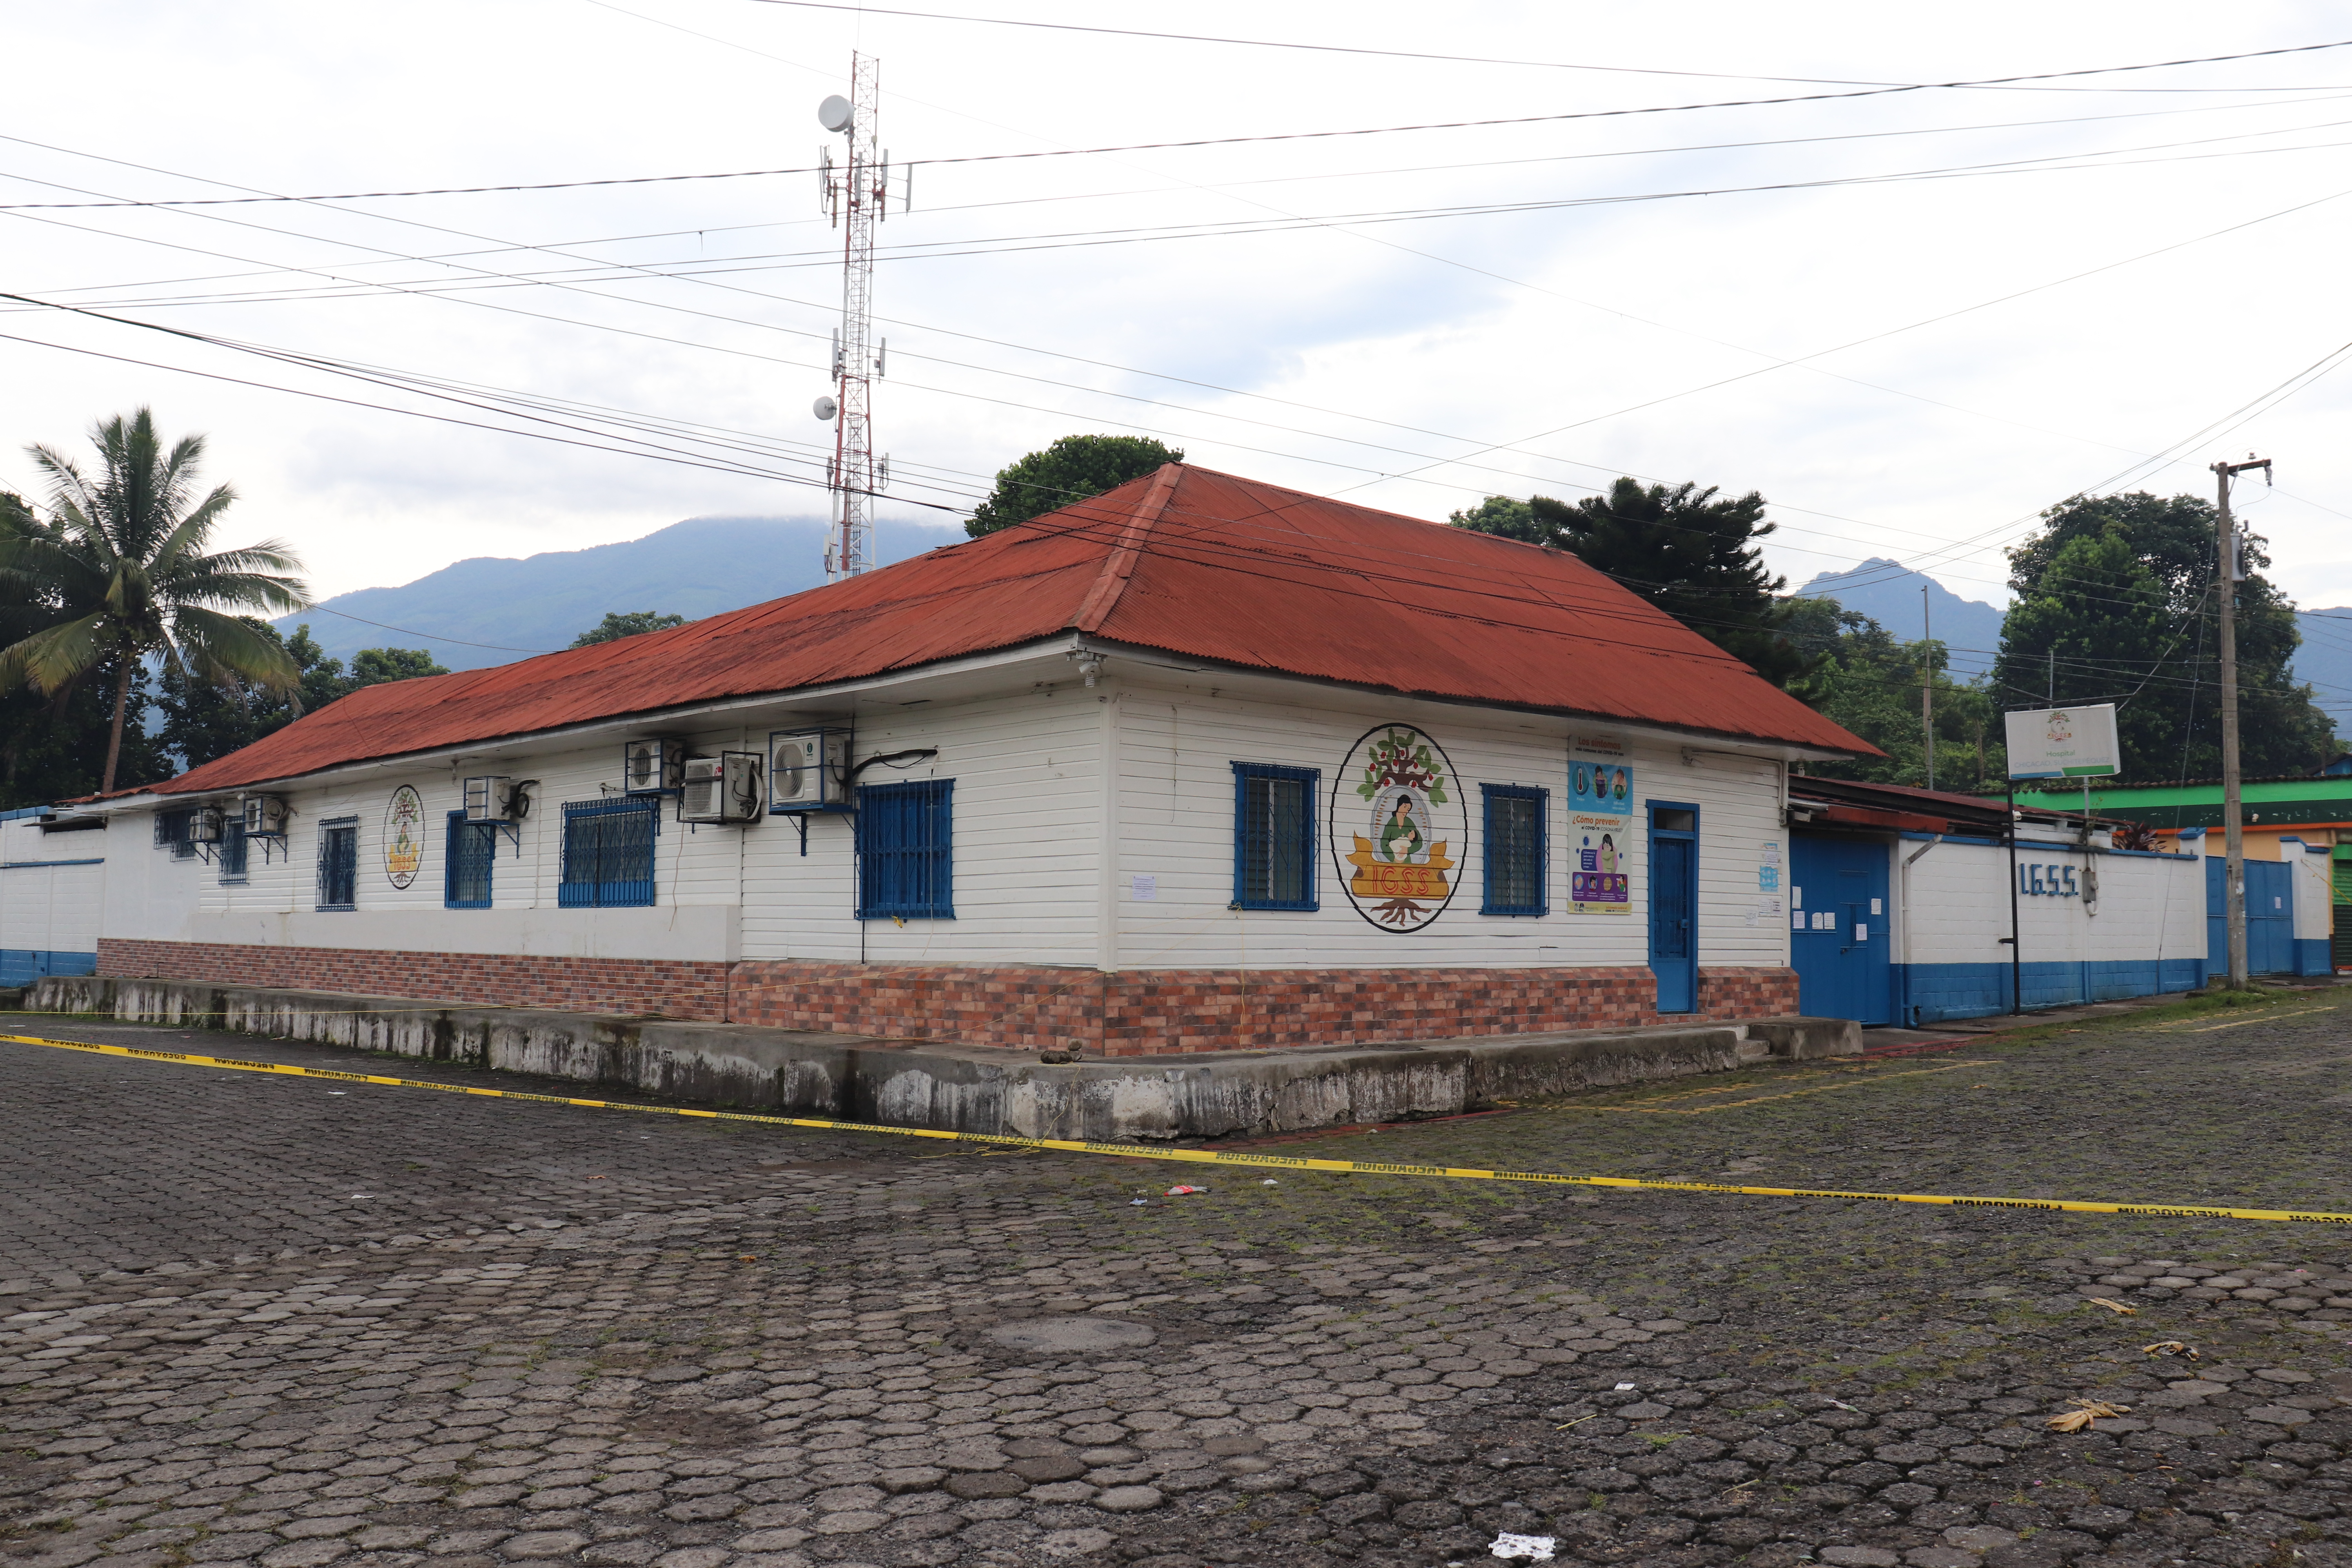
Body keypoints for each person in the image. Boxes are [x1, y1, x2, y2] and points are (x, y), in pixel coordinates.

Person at [1379, 792, 1425, 862]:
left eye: (1408, 810)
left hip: (1407, 862)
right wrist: (1393, 858)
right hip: (1394, 862)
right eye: (1404, 807)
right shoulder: (1392, 822)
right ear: (1399, 806)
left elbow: (1419, 842)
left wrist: (1407, 850)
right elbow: (1384, 843)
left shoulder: (1409, 822)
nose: (1405, 811)